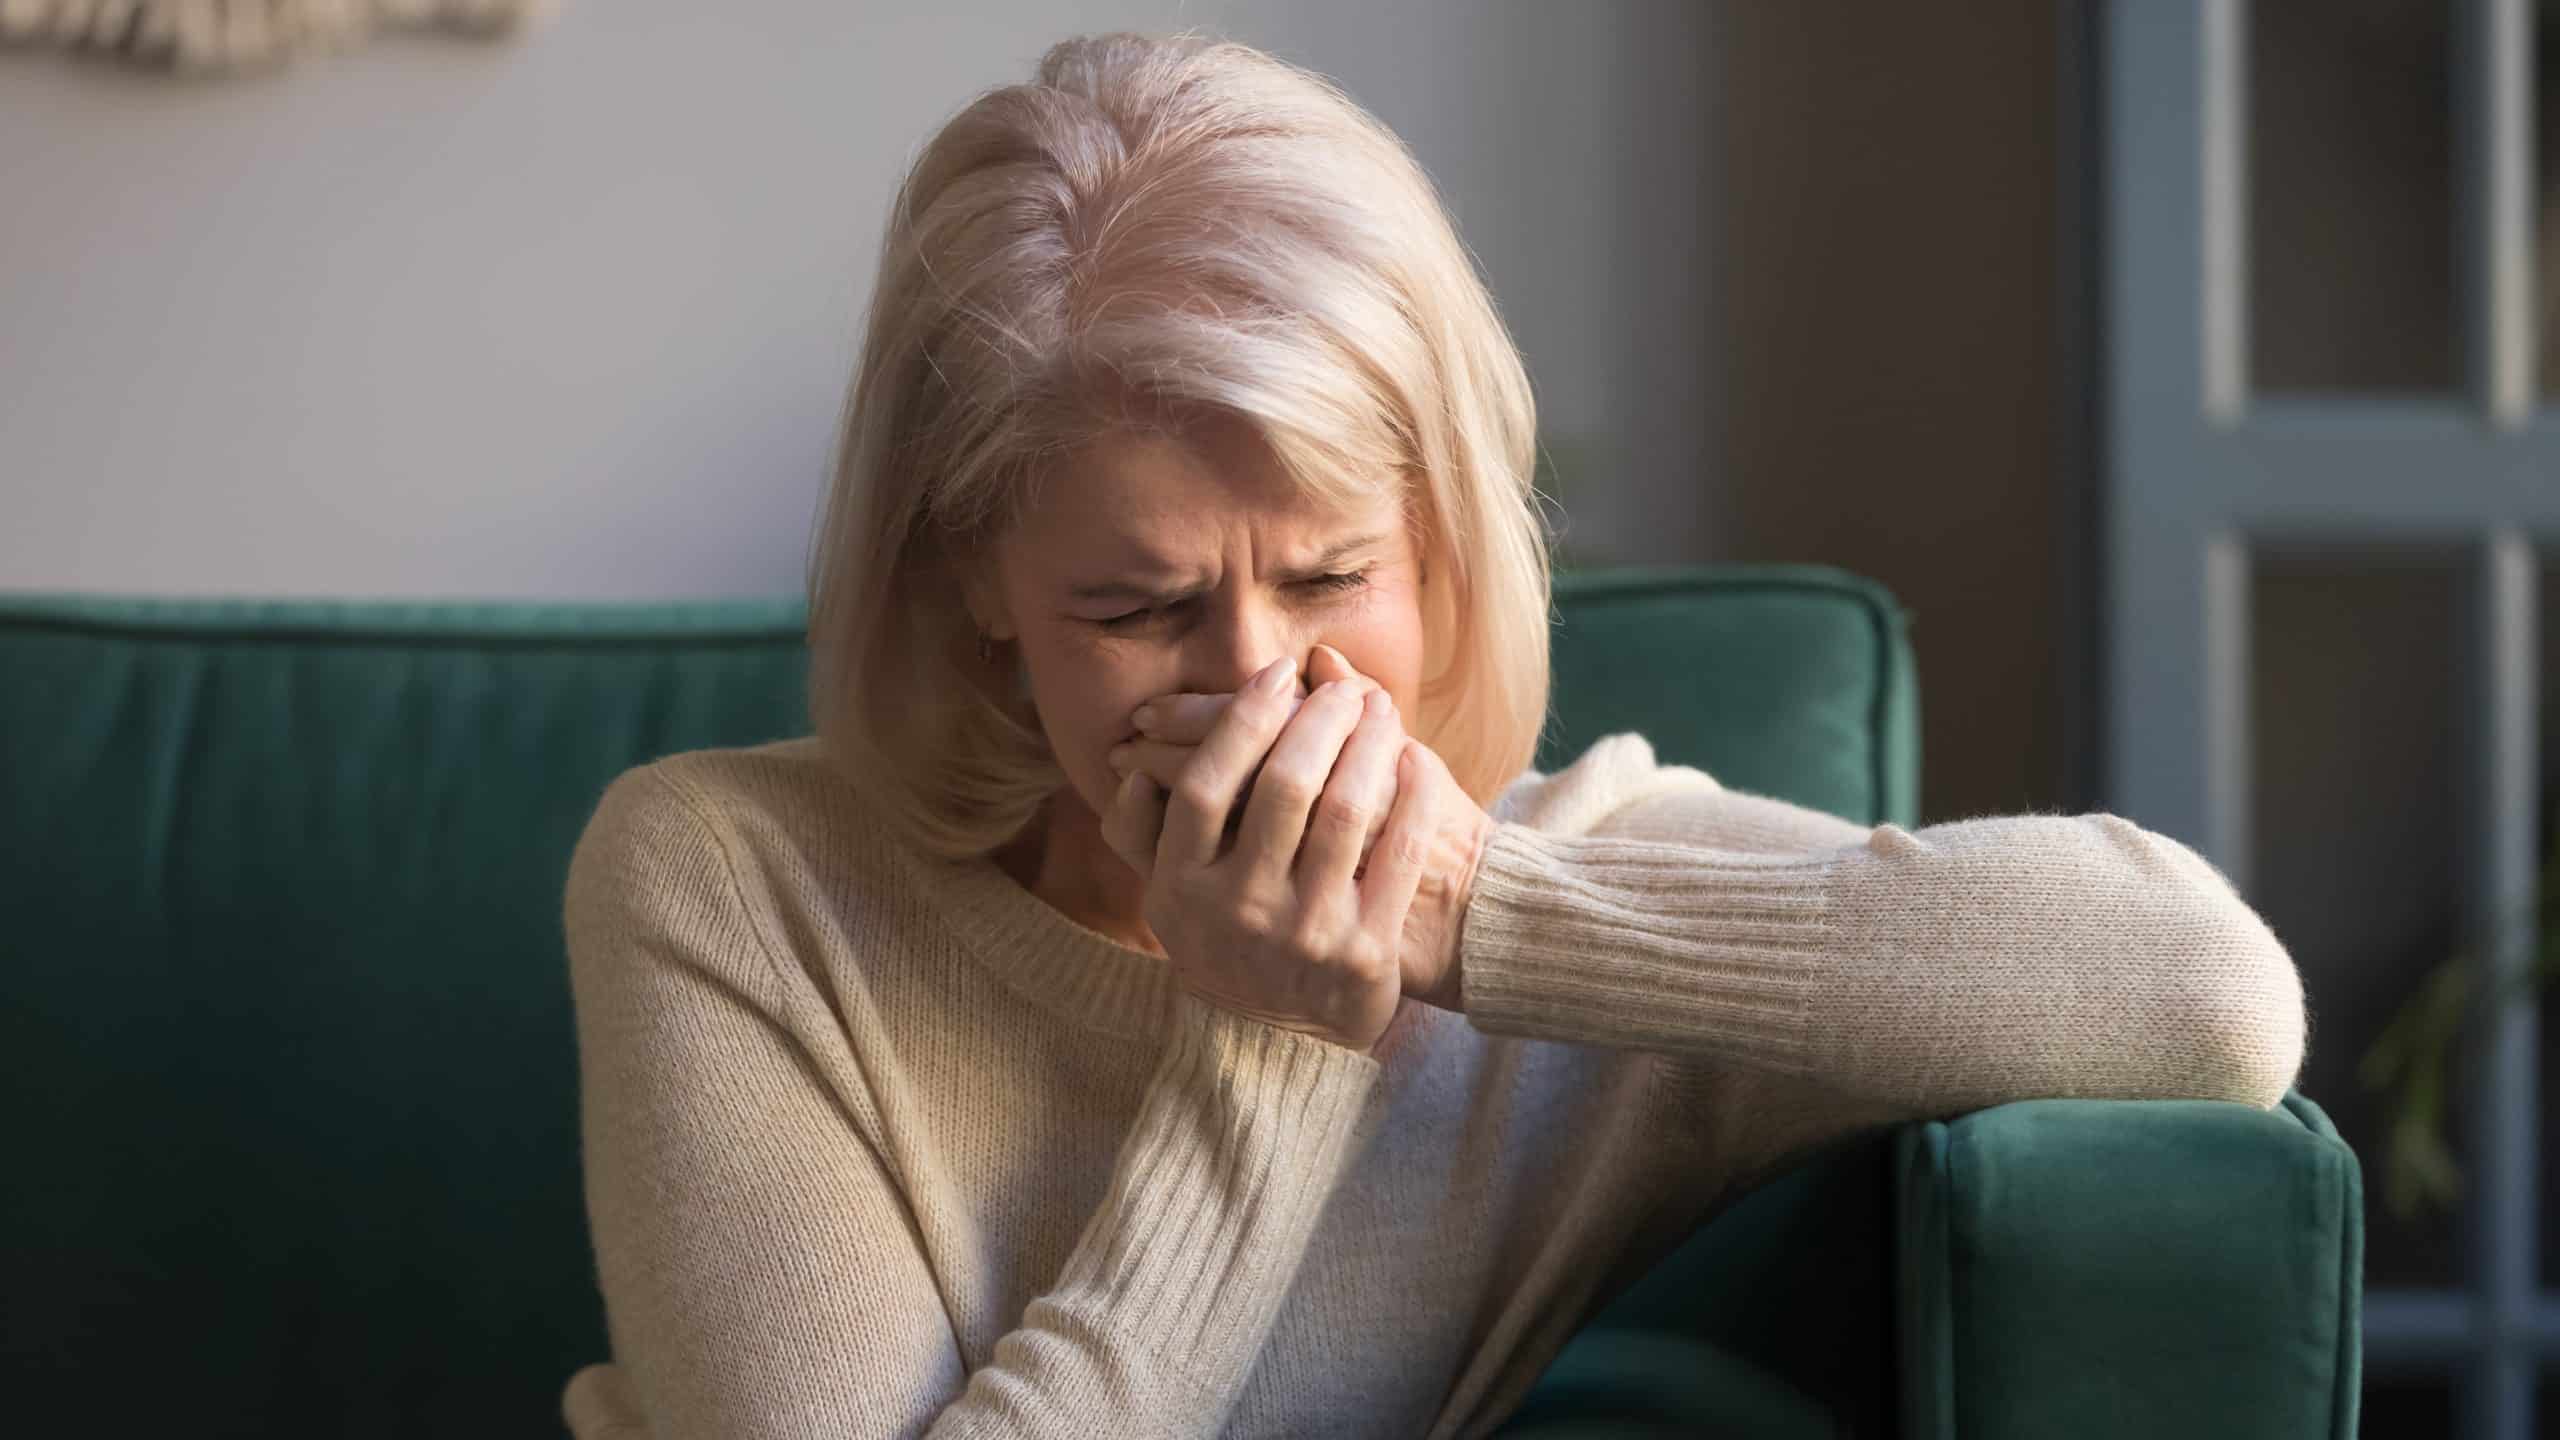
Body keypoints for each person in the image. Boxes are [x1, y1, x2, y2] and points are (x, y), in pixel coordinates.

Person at [556, 31, 2307, 1439]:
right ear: (974, 583)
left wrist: (1464, 919)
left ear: (1445, 539)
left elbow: (2210, 994)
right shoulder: (735, 884)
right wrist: (1273, 1043)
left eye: (1333, 575)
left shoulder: (1571, 898)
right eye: (1138, 608)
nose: (1263, 685)